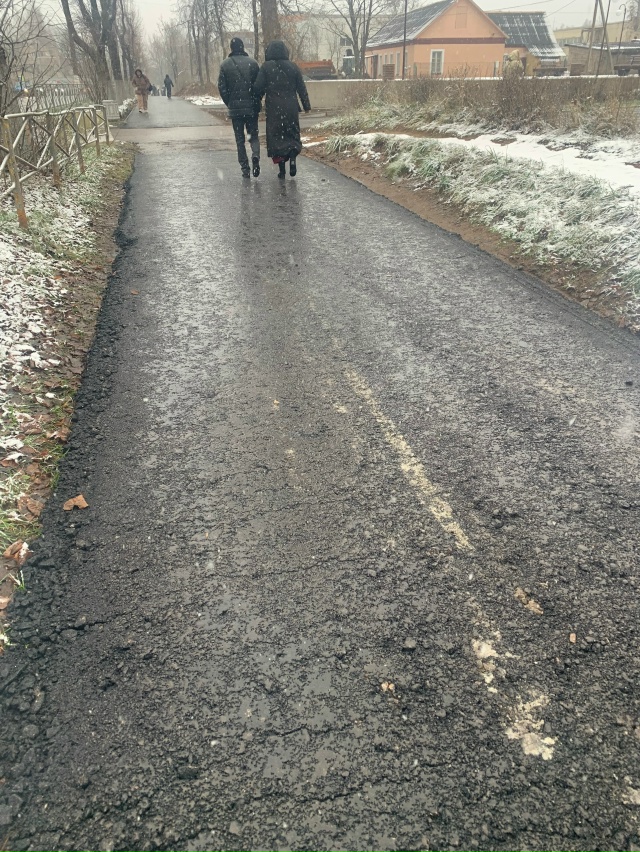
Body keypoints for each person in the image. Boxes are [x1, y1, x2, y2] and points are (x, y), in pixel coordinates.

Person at [254, 41, 311, 178]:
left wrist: (258, 100)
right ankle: (292, 157)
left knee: (277, 139)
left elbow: (257, 88)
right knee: (291, 134)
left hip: (274, 109)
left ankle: (282, 170)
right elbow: (301, 88)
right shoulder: (293, 67)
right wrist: (306, 105)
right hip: (291, 107)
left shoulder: (266, 67)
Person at [217, 38, 261, 178]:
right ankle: (255, 155)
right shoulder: (253, 64)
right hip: (251, 108)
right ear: (242, 47)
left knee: (239, 140)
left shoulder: (225, 65)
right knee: (253, 136)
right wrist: (256, 100)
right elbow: (259, 86)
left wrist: (230, 102)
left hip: (235, 109)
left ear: (231, 48)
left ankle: (245, 168)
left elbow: (222, 88)